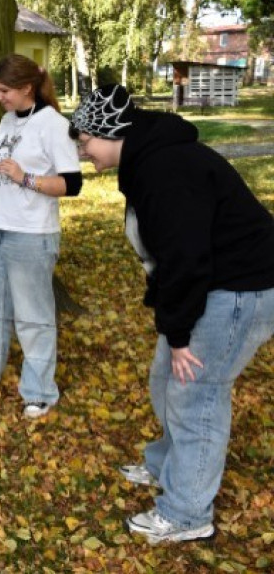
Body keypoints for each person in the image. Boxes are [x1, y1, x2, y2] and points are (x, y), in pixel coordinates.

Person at [69, 84, 274, 544]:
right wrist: (172, 327)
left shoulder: (165, 170)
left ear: (113, 132)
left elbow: (186, 258)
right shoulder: (149, 161)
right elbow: (168, 255)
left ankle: (187, 514)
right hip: (213, 285)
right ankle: (167, 464)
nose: (84, 153)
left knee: (196, 394)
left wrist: (179, 334)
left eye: (85, 142)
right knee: (166, 379)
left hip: (242, 289)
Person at [0, 54, 82, 419]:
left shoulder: (52, 125)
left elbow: (73, 183)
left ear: (26, 88)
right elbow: (1, 172)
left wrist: (27, 178)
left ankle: (39, 391)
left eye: (4, 91)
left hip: (31, 235)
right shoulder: (8, 121)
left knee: (33, 317)